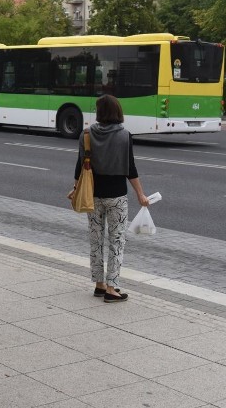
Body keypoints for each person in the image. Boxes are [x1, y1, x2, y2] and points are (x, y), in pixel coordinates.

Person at [71, 95, 148, 303]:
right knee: (116, 241)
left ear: (99, 112)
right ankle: (112, 288)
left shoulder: (86, 134)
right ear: (117, 111)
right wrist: (140, 194)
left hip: (93, 195)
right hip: (117, 197)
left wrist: (75, 188)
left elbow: (80, 166)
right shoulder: (125, 136)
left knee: (95, 241)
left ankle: (99, 285)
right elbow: (131, 169)